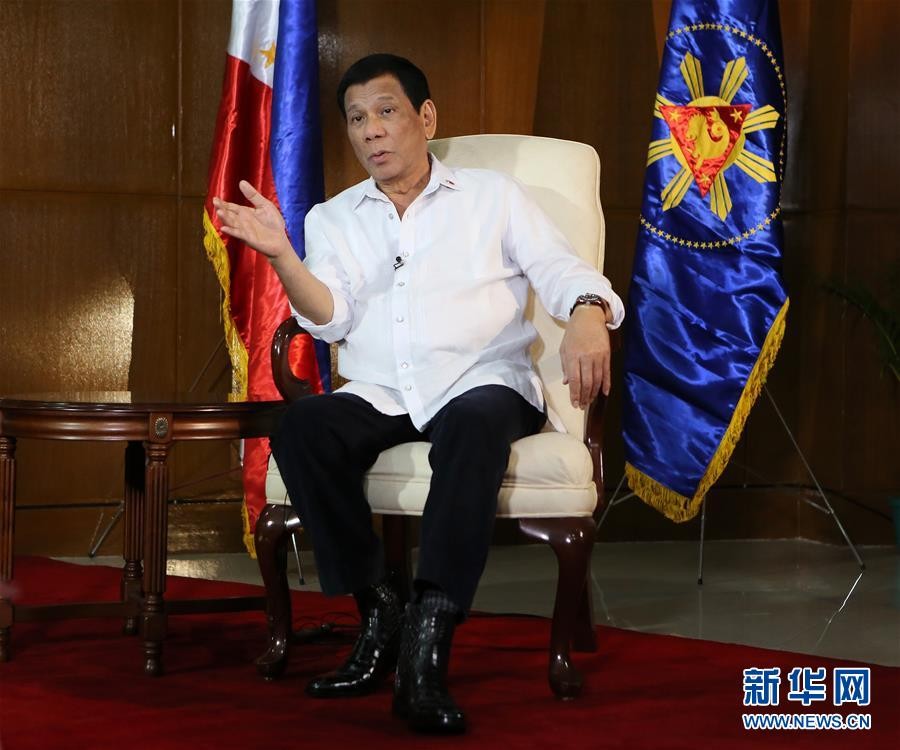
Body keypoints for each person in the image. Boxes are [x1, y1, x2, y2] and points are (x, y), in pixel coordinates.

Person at [213, 53, 624, 735]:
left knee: (471, 425)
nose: (371, 130)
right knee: (302, 428)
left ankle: (429, 639)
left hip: (484, 382)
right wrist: (283, 255)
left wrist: (586, 311)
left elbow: (559, 268)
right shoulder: (335, 218)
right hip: (384, 390)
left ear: (425, 118)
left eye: (386, 112)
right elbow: (331, 317)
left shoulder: (493, 197)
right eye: (356, 119)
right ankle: (380, 610)